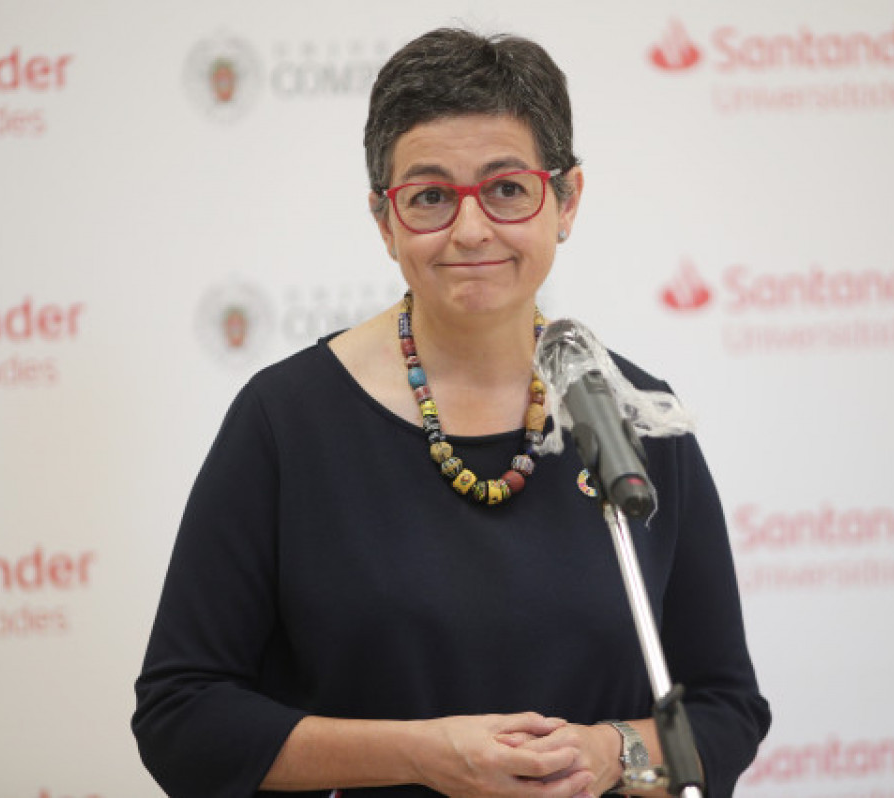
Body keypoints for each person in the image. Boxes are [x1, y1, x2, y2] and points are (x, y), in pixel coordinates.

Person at [132, 27, 770, 798]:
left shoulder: (631, 420)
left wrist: (612, 752)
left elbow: (726, 708)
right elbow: (181, 718)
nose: (471, 230)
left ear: (566, 201)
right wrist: (419, 756)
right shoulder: (285, 422)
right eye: (431, 197)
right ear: (385, 221)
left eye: (507, 189)